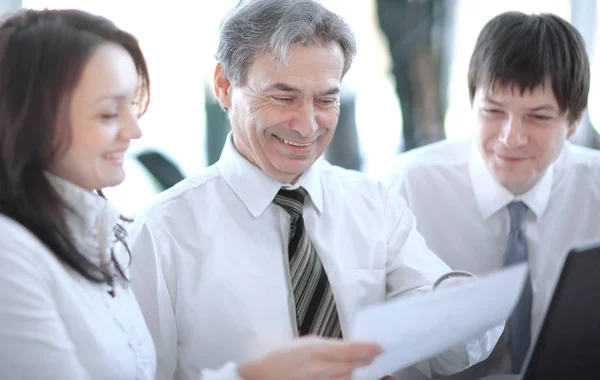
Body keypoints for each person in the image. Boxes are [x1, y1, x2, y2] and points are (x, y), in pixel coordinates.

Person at [126, 1, 503, 379]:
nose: (307, 126)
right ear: (224, 87)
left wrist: (465, 308)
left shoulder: (375, 207)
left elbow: (453, 353)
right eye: (283, 97)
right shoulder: (162, 233)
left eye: (326, 100)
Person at [0, 8, 382, 380]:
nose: (134, 132)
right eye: (107, 114)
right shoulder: (11, 257)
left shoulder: (92, 237)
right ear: (28, 119)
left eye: (132, 106)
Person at [385, 11, 600, 380]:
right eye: (493, 111)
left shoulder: (594, 186)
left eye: (538, 117)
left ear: (575, 121)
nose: (510, 137)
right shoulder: (407, 187)